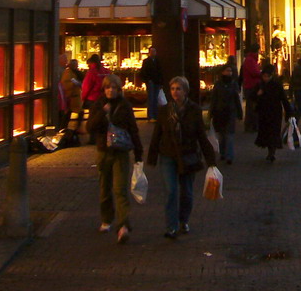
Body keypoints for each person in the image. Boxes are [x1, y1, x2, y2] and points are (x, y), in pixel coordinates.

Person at [147, 76, 216, 239]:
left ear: (185, 91)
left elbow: (201, 135)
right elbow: (157, 133)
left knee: (187, 192)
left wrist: (211, 161)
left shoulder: (194, 110)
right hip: (168, 154)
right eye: (172, 89)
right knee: (171, 191)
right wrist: (152, 156)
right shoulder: (165, 111)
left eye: (178, 89)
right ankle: (171, 225)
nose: (175, 92)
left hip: (188, 154)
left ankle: (183, 219)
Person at [86, 74, 142, 244]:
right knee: (104, 188)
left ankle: (123, 225)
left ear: (119, 89)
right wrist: (102, 113)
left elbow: (133, 128)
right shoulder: (99, 105)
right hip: (104, 151)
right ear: (104, 89)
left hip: (121, 152)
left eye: (114, 87)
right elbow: (90, 127)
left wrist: (138, 153)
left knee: (120, 189)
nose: (111, 90)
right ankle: (106, 219)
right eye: (108, 87)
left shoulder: (125, 106)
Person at [253, 65, 292, 162]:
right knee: (267, 132)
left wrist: (289, 111)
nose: (265, 78)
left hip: (275, 112)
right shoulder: (260, 85)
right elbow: (252, 97)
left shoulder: (276, 85)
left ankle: (272, 152)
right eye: (264, 76)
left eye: (267, 76)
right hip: (264, 113)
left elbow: (283, 98)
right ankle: (270, 150)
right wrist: (258, 95)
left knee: (273, 132)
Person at [209, 63, 242, 163]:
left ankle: (229, 156)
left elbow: (237, 99)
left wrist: (239, 112)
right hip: (219, 112)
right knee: (222, 135)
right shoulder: (218, 84)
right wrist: (211, 112)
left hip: (230, 112)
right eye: (227, 70)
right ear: (222, 72)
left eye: (230, 71)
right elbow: (214, 99)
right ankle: (223, 153)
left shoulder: (233, 84)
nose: (229, 73)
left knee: (229, 135)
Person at [138, 46, 163, 121]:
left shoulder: (158, 61)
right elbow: (143, 72)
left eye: (154, 51)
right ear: (149, 53)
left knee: (155, 99)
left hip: (157, 82)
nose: (153, 53)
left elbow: (160, 72)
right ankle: (151, 116)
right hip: (151, 82)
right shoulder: (146, 61)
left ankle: (155, 115)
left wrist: (161, 82)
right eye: (152, 51)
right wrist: (147, 80)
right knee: (151, 98)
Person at [240, 46, 262, 133]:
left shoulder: (250, 60)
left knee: (251, 106)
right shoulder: (250, 60)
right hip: (251, 86)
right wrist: (261, 73)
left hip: (251, 85)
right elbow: (254, 72)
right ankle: (251, 125)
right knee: (251, 106)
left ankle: (252, 125)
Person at [58, 56, 82, 130]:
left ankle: (67, 127)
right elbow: (66, 84)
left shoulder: (72, 72)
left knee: (71, 113)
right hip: (71, 96)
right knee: (69, 113)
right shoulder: (68, 73)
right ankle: (65, 127)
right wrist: (75, 84)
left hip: (74, 96)